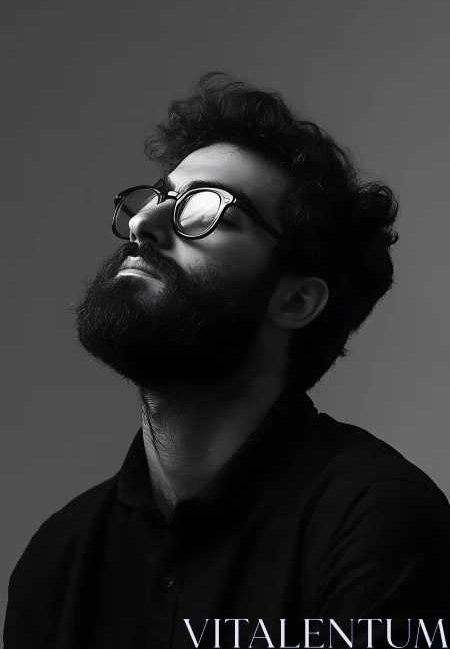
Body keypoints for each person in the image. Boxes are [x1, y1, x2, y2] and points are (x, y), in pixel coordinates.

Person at [4, 73, 450, 649]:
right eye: (160, 197)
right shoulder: (59, 558)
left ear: (294, 300)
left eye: (205, 210)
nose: (143, 224)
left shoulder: (378, 521)